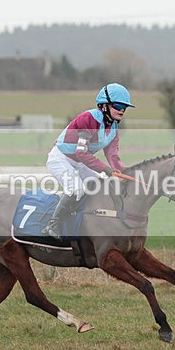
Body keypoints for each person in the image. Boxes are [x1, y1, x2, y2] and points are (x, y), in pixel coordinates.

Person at [41, 83, 134, 239]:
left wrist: (124, 171)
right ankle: (52, 224)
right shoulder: (88, 119)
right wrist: (107, 171)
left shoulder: (114, 126)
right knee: (76, 189)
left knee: (99, 186)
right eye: (118, 105)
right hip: (61, 158)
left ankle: (85, 222)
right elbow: (82, 153)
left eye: (125, 107)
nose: (122, 110)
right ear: (104, 105)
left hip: (79, 162)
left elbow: (112, 155)